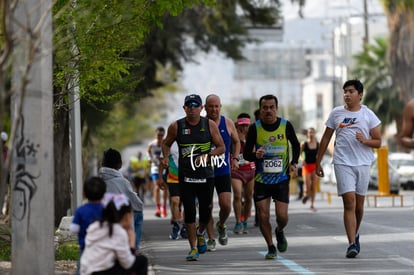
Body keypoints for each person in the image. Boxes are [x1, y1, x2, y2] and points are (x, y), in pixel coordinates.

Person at [315, 79, 381, 258]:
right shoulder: (336, 113)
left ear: (360, 95)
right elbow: (326, 138)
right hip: (342, 162)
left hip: (363, 163)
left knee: (359, 206)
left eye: (351, 91)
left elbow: (378, 141)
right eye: (345, 91)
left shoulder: (368, 114)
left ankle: (356, 232)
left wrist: (365, 140)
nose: (347, 94)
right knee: (349, 202)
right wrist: (318, 161)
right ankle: (351, 243)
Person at [161, 94, 225, 261]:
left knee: (206, 211)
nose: (192, 108)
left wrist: (206, 156)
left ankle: (200, 231)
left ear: (201, 108)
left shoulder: (209, 125)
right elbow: (166, 143)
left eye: (195, 105)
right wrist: (166, 157)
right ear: (184, 108)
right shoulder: (176, 126)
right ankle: (192, 248)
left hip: (206, 176)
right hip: (186, 176)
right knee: (189, 212)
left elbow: (221, 147)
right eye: (189, 105)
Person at [243, 94, 300, 260]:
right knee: (263, 216)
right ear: (260, 110)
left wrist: (294, 163)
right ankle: (270, 246)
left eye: (271, 107)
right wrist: (255, 155)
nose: (268, 111)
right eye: (265, 108)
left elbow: (296, 145)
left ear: (276, 108)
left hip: (281, 179)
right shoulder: (255, 128)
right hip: (261, 180)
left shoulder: (285, 125)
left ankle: (279, 231)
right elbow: (247, 154)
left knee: (282, 217)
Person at [204, 94, 240, 251]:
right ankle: (211, 238)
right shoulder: (201, 124)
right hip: (205, 171)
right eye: (210, 106)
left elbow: (237, 141)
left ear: (220, 107)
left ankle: (221, 224)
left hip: (223, 169)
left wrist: (235, 159)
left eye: (216, 106)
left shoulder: (228, 123)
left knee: (226, 205)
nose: (214, 109)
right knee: (207, 206)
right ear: (205, 108)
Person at [80, 193, 148, 275]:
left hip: (87, 271)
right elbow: (127, 263)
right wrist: (132, 244)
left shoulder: (94, 226)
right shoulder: (118, 231)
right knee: (142, 261)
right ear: (127, 216)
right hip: (103, 271)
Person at [99, 148, 144, 250]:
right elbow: (136, 204)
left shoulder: (97, 181)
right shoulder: (123, 182)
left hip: (102, 219)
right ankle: (134, 248)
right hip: (119, 218)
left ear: (102, 164)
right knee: (138, 211)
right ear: (119, 164)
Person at [70, 176, 106, 274]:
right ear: (104, 194)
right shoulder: (107, 210)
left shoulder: (80, 211)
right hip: (104, 250)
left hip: (86, 249)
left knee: (82, 270)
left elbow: (73, 229)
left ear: (84, 194)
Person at [231, 113, 255, 234]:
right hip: (237, 170)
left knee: (249, 197)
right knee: (237, 195)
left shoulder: (252, 134)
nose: (245, 128)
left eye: (247, 125)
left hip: (250, 169)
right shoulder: (233, 134)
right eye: (243, 125)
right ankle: (238, 221)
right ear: (238, 124)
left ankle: (245, 221)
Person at [157, 141, 187, 240]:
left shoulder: (190, 138)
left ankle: (185, 227)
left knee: (187, 203)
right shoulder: (168, 143)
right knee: (175, 201)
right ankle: (176, 225)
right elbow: (162, 161)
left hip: (188, 176)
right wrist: (160, 178)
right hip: (173, 176)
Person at [147, 126, 169, 218]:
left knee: (165, 187)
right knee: (156, 186)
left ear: (164, 134)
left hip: (165, 168)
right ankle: (158, 207)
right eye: (158, 134)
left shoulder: (166, 143)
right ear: (156, 134)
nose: (160, 136)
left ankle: (164, 207)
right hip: (155, 168)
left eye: (161, 134)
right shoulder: (152, 144)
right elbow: (148, 154)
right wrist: (150, 159)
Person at [300, 127, 319, 211]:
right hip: (306, 166)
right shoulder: (304, 143)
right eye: (309, 132)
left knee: (313, 186)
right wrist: (302, 159)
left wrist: (319, 165)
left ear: (315, 133)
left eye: (312, 132)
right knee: (307, 186)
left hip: (314, 166)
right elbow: (299, 154)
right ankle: (305, 195)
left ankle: (312, 204)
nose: (311, 134)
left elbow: (319, 155)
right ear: (307, 134)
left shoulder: (318, 144)